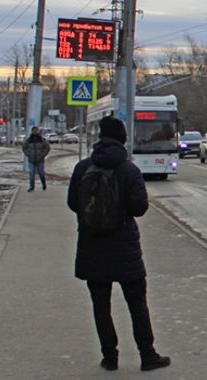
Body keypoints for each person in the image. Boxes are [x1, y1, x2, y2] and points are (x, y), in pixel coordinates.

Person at [66, 116, 170, 373]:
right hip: (124, 248)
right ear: (122, 138)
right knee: (137, 303)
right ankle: (148, 356)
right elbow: (140, 208)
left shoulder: (82, 168)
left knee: (101, 306)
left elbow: (72, 203)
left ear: (100, 137)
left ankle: (109, 358)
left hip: (92, 246)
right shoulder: (129, 170)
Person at [22, 126, 50, 192]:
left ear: (38, 131)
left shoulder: (42, 140)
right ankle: (32, 187)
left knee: (41, 173)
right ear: (32, 131)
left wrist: (42, 155)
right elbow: (24, 148)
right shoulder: (29, 140)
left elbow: (47, 148)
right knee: (31, 173)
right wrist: (28, 154)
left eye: (36, 130)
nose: (35, 132)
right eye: (33, 130)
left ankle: (43, 184)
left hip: (40, 160)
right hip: (31, 160)